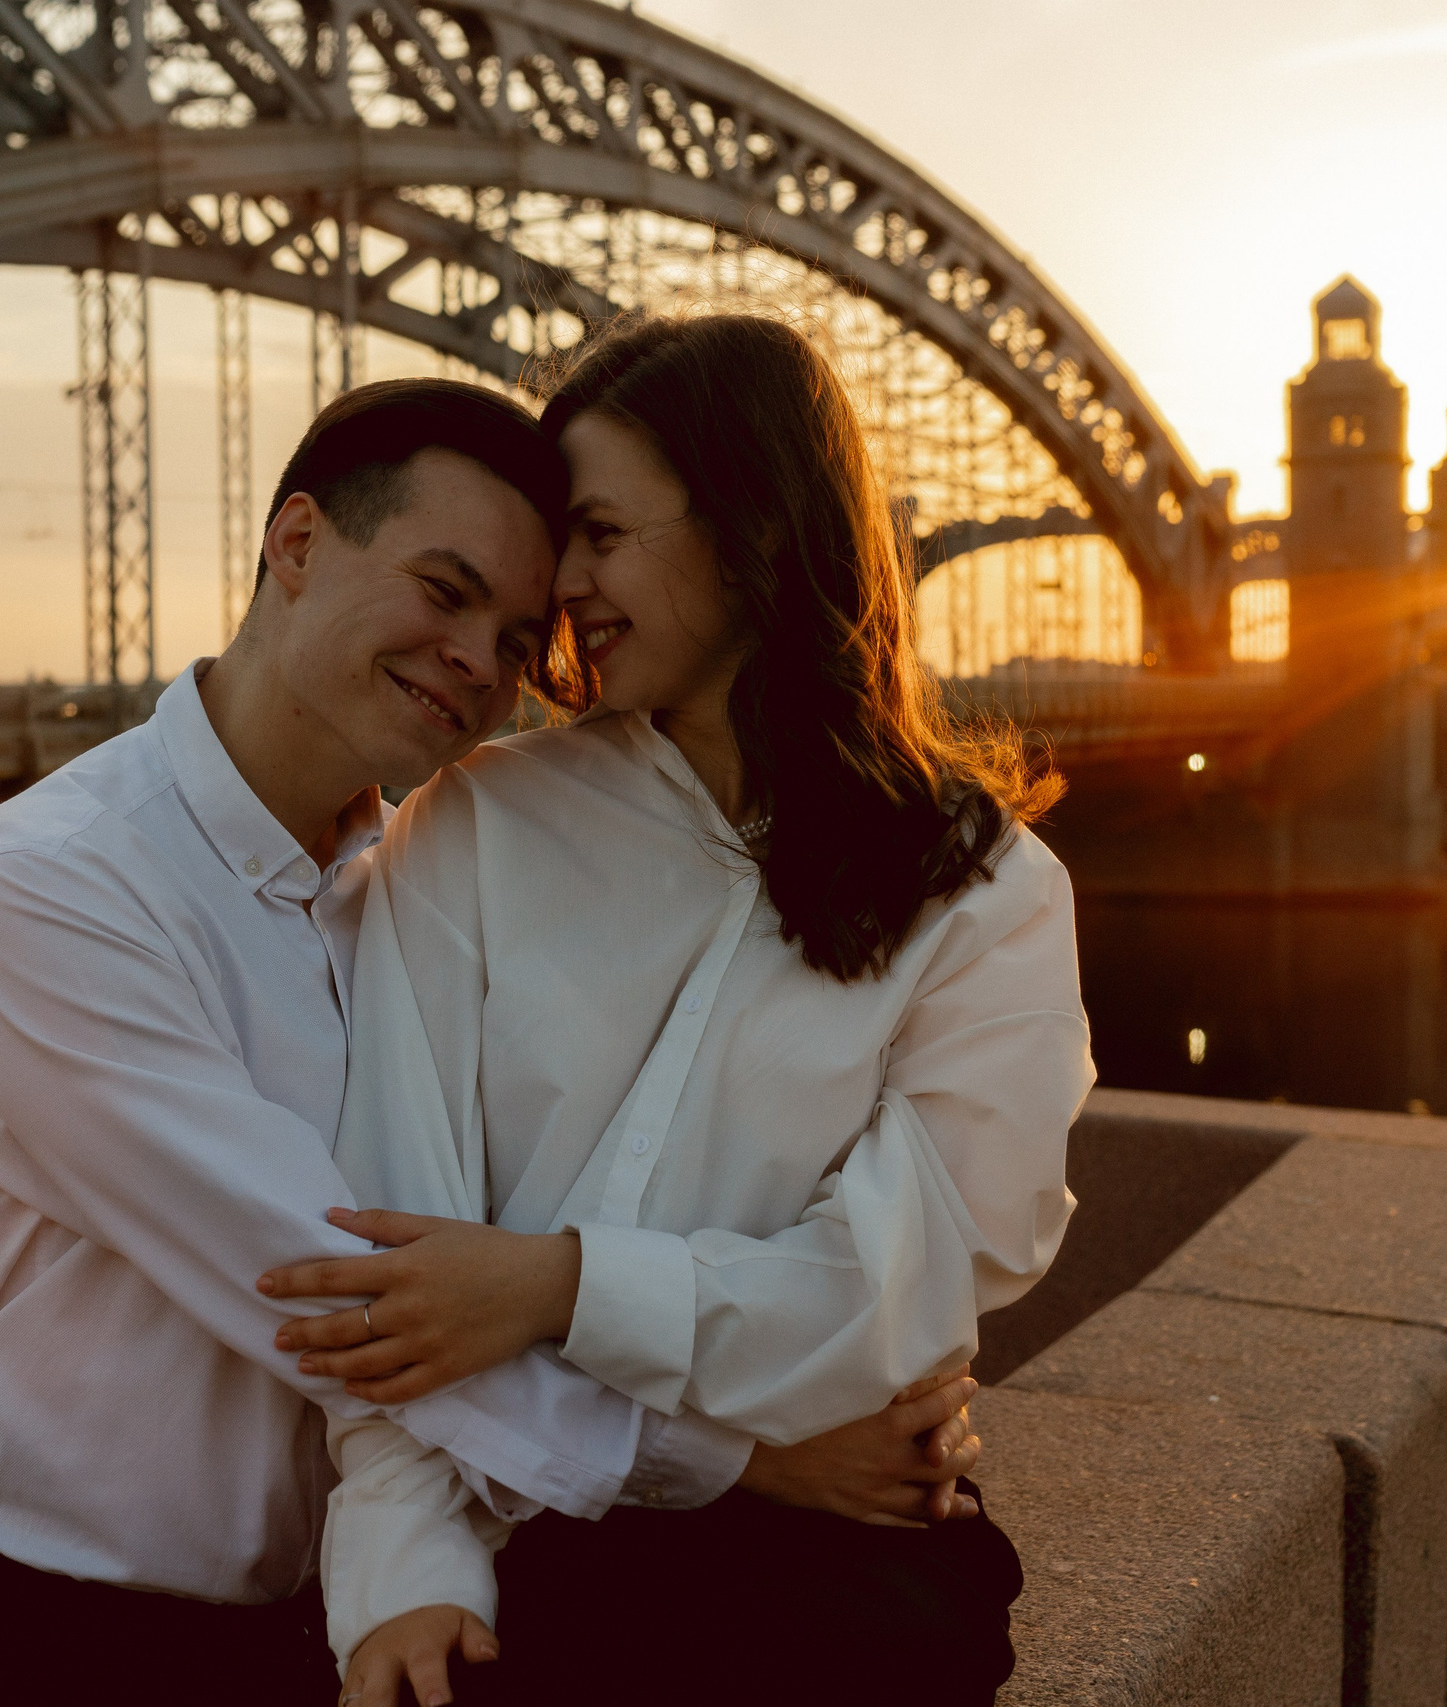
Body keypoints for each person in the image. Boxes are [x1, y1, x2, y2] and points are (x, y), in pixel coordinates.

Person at [0, 378, 982, 1702]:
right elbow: (350, 1304)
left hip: (367, 1617)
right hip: (87, 1644)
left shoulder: (416, 883)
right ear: (298, 543)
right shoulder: (50, 889)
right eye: (443, 590)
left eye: (520, 638)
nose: (478, 661)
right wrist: (752, 1458)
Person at [256, 315, 1092, 1706]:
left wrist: (551, 1286)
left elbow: (897, 1292)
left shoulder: (988, 895)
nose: (561, 587)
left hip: (831, 1570)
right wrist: (403, 1568)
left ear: (754, 531)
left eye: (599, 533)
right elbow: (398, 1259)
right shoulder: (475, 827)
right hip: (514, 1531)